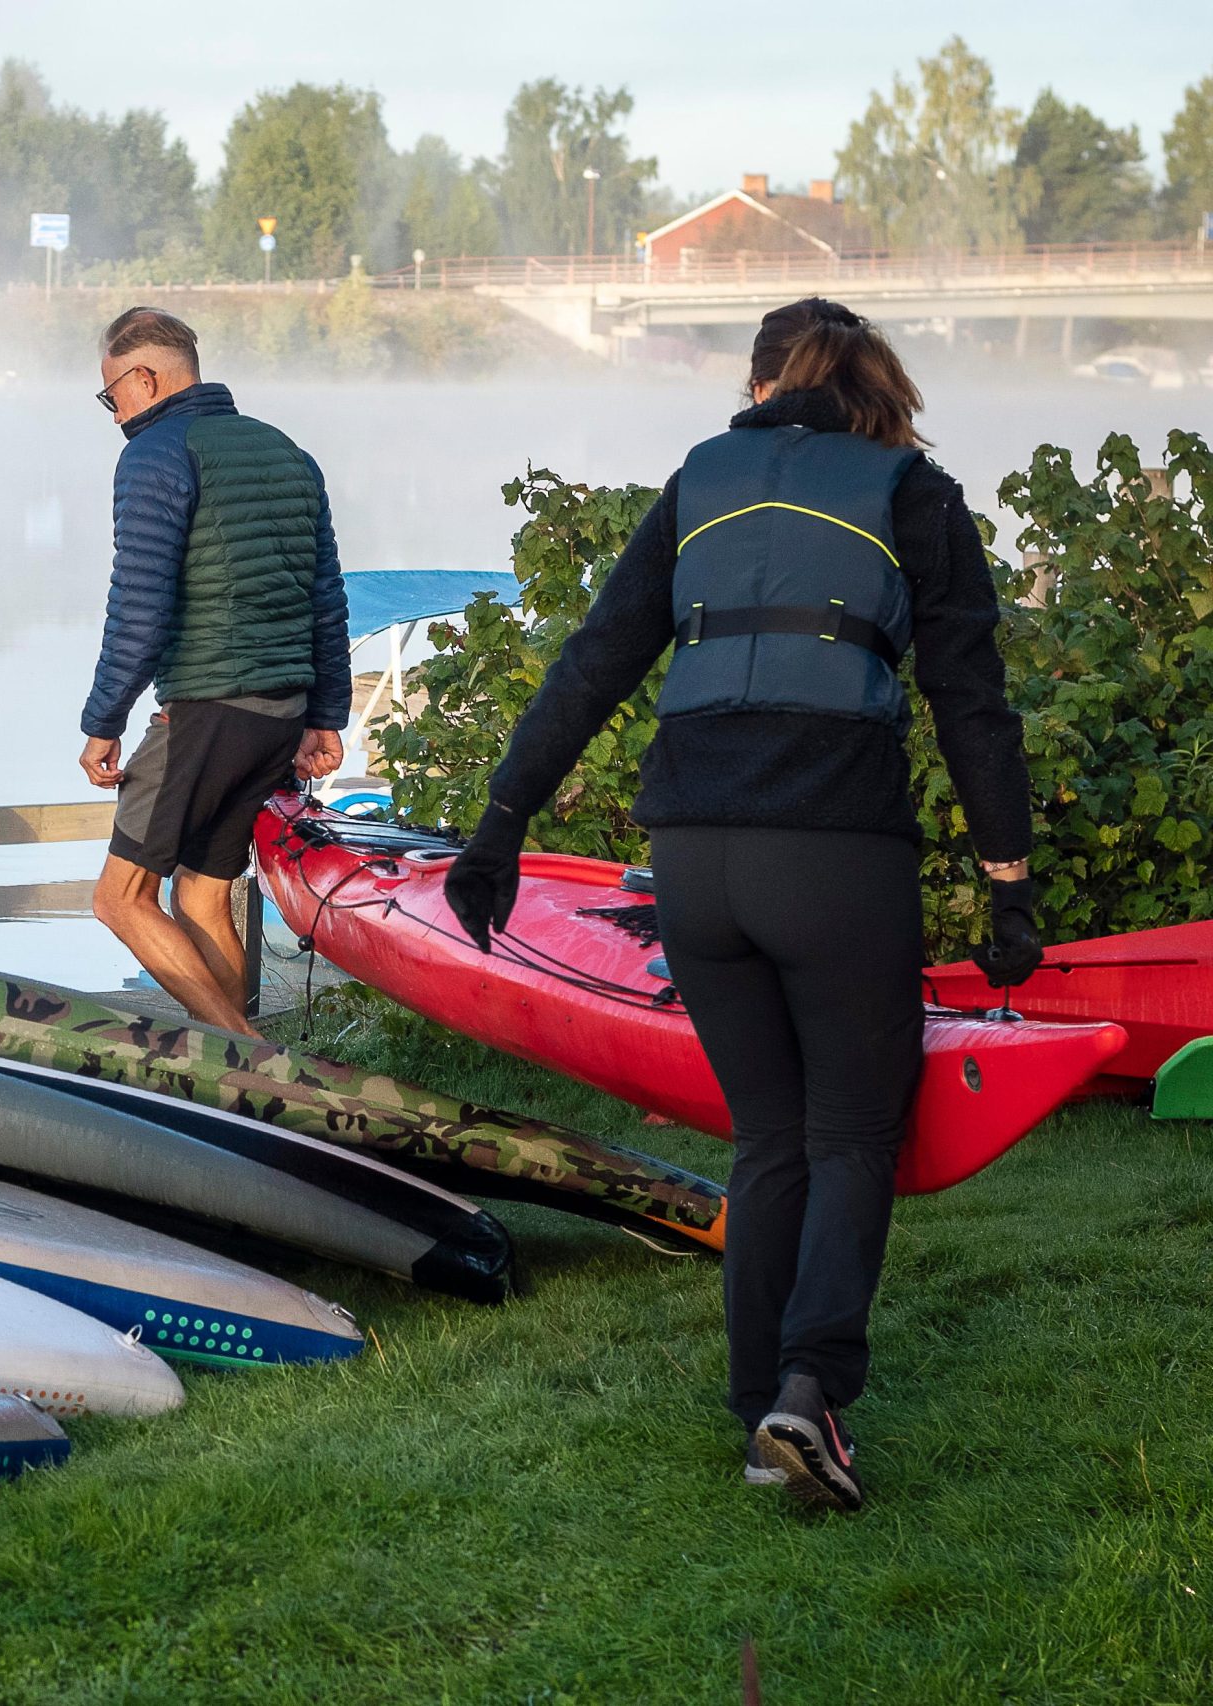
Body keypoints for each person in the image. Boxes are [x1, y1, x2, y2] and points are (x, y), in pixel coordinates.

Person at [443, 298, 1041, 1513]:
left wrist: (501, 821)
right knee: (853, 1131)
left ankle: (755, 1404)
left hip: (695, 858)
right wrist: (1007, 881)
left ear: (757, 384)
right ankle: (810, 1390)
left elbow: (596, 658)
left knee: (770, 1134)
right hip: (831, 851)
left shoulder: (697, 482)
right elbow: (968, 698)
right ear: (873, 385)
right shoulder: (911, 491)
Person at [78, 306, 351, 1036]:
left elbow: (140, 607)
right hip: (279, 712)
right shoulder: (286, 451)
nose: (113, 416)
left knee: (120, 899)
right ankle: (233, 1072)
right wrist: (325, 713)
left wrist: (102, 722)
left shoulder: (155, 455)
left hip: (207, 707)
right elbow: (326, 593)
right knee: (199, 897)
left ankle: (250, 1060)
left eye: (112, 396)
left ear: (146, 377)